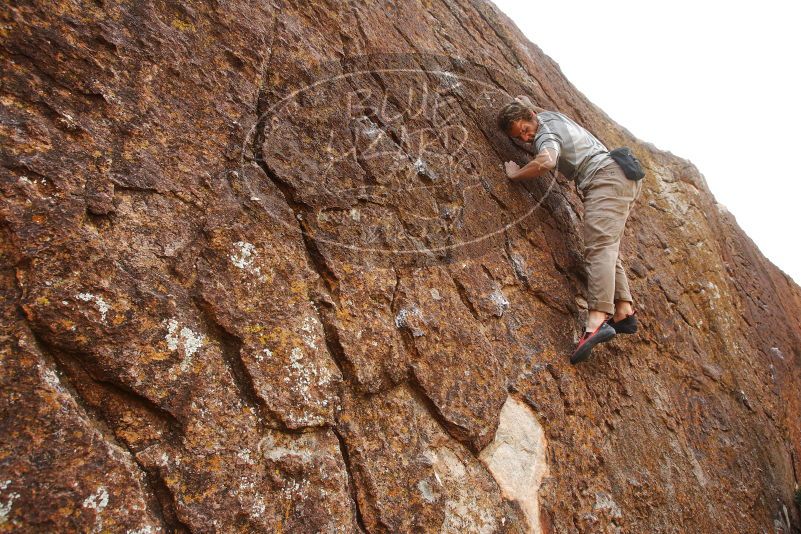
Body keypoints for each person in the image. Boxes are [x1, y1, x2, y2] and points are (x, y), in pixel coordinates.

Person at [496, 96, 643, 364]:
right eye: (521, 137)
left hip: (605, 180)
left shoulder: (544, 135)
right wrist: (525, 103)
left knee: (598, 249)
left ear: (531, 118)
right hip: (620, 175)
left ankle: (597, 320)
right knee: (607, 246)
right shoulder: (549, 115)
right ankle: (623, 310)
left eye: (526, 130)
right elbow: (536, 111)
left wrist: (515, 174)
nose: (527, 138)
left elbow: (547, 160)